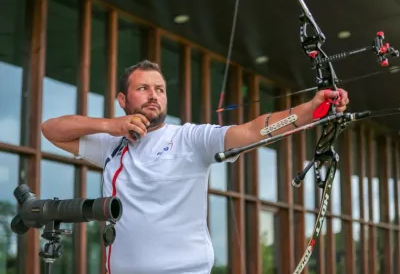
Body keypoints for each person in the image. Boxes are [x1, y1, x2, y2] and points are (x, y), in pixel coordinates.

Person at [41, 60, 349, 274]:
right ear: (122, 99)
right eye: (143, 88)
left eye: (160, 89)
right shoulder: (113, 145)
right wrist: (110, 125)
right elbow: (51, 129)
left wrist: (309, 111)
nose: (154, 95)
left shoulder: (189, 138)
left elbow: (253, 131)